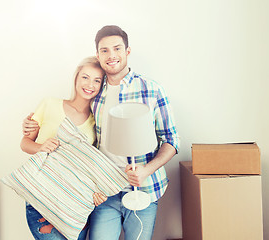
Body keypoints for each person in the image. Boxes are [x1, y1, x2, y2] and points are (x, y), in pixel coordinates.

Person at [23, 25, 180, 240]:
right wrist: (32, 126)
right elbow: (77, 131)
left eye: (117, 48)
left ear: (127, 51)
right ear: (98, 55)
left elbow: (171, 140)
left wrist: (146, 170)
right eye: (104, 50)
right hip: (104, 192)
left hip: (144, 189)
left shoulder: (151, 89)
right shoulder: (94, 91)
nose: (111, 55)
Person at [20, 56, 108, 240]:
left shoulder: (96, 121)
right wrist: (42, 147)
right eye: (85, 77)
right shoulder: (49, 104)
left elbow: (91, 166)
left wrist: (97, 191)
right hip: (41, 197)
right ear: (76, 78)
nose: (90, 84)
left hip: (75, 202)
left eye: (97, 80)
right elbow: (25, 143)